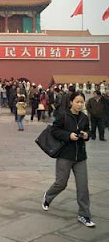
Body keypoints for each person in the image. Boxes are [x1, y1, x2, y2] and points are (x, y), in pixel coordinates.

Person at [42, 92, 95, 227]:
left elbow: (89, 132)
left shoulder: (84, 117)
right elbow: (54, 130)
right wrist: (68, 135)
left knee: (83, 187)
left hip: (80, 157)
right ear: (71, 102)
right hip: (65, 155)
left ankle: (84, 215)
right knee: (61, 183)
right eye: (77, 101)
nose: (79, 104)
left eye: (82, 102)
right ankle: (48, 197)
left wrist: (86, 135)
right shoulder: (63, 115)